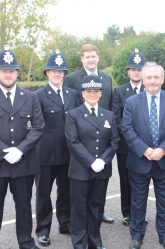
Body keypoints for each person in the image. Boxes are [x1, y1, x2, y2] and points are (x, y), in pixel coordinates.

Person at [0, 45, 44, 249]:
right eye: (4, 70)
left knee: (23, 208)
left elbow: (38, 127)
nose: (8, 74)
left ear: (17, 73)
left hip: (23, 163)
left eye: (11, 70)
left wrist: (20, 150)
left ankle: (26, 243)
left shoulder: (30, 97)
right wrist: (5, 153)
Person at [122, 62, 165, 249]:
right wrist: (145, 150)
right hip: (140, 161)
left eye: (156, 77)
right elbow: (127, 128)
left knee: (164, 202)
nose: (153, 81)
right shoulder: (132, 102)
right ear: (143, 79)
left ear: (162, 80)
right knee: (138, 201)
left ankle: (164, 236)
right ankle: (137, 236)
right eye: (149, 77)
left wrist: (163, 150)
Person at [65, 75, 119, 249]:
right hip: (80, 170)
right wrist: (91, 161)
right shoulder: (73, 115)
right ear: (83, 93)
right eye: (89, 91)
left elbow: (114, 142)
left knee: (96, 207)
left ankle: (95, 242)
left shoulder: (108, 115)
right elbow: (73, 142)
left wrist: (103, 161)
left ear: (101, 93)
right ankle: (79, 244)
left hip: (101, 170)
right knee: (79, 209)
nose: (92, 94)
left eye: (96, 91)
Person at [64, 43, 114, 223]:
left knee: (100, 184)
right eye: (87, 57)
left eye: (94, 56)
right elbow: (70, 107)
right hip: (81, 137)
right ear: (82, 59)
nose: (91, 59)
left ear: (98, 57)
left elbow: (109, 106)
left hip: (103, 135)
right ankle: (78, 217)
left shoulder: (107, 78)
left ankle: (99, 212)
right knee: (80, 187)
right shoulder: (71, 79)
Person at [34, 50, 78, 246]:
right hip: (45, 155)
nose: (57, 74)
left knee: (66, 191)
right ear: (47, 73)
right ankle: (43, 229)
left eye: (61, 71)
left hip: (68, 153)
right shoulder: (37, 96)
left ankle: (65, 223)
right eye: (54, 71)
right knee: (43, 194)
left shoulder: (72, 94)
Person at [111, 49, 146, 226]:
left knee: (142, 181)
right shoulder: (118, 91)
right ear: (128, 71)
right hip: (125, 145)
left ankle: (140, 213)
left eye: (139, 69)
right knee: (125, 180)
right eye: (133, 69)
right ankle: (127, 212)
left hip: (146, 145)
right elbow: (116, 118)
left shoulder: (150, 90)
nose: (136, 72)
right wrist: (132, 137)